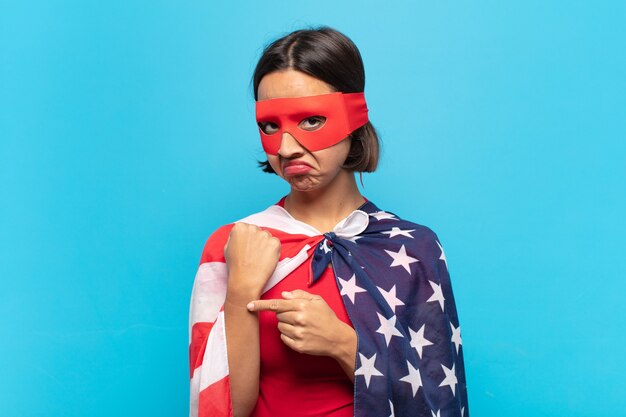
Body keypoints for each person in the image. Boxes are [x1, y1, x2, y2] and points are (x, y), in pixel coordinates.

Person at [189, 27, 469, 417]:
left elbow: (437, 402)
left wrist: (342, 344)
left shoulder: (411, 248)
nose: (287, 147)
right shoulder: (235, 243)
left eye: (311, 121)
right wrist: (240, 292)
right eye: (271, 126)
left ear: (354, 119)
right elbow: (225, 409)